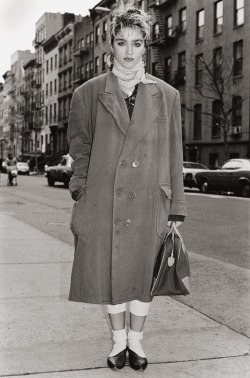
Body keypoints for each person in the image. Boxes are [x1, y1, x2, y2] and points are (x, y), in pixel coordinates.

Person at [67, 2, 187, 371]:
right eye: (122, 43)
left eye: (137, 43)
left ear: (146, 46)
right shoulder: (87, 93)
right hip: (102, 199)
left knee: (141, 275)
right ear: (111, 46)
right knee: (110, 271)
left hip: (151, 198)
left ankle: (137, 341)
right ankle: (118, 341)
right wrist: (80, 188)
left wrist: (176, 207)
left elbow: (174, 153)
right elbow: (79, 145)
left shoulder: (167, 95)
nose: (129, 51)